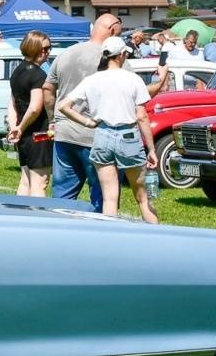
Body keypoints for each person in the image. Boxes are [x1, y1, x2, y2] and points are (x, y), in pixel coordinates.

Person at [57, 36, 158, 222]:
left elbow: (63, 105)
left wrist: (87, 122)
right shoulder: (133, 79)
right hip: (128, 135)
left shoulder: (92, 79)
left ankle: (108, 238)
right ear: (121, 55)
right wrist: (151, 149)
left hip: (102, 134)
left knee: (109, 198)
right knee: (143, 197)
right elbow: (142, 116)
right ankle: (156, 235)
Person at [44, 13, 120, 212]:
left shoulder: (66, 53)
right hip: (95, 135)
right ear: (112, 30)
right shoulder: (112, 56)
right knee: (102, 193)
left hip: (64, 133)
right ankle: (99, 234)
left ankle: (59, 233)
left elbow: (48, 90)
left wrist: (53, 119)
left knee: (62, 195)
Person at [6, 30, 53, 196]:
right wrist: (19, 127)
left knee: (26, 180)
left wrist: (15, 127)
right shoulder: (38, 75)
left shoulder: (17, 71)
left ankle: (19, 219)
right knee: (40, 183)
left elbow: (11, 104)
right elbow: (35, 107)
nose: (48, 52)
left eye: (49, 48)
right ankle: (38, 220)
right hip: (38, 134)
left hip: (24, 135)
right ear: (33, 48)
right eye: (45, 48)